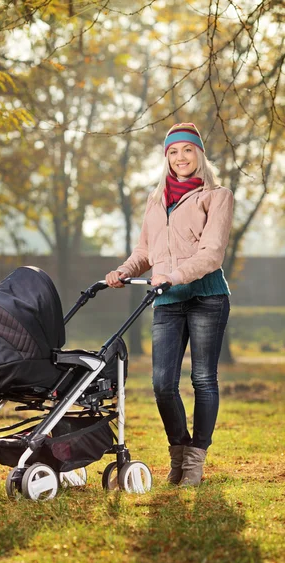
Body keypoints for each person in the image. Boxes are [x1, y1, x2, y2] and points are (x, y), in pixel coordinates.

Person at [105, 123, 233, 486]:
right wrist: (123, 270)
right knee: (163, 384)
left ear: (200, 154)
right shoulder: (155, 198)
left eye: (188, 150)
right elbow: (145, 251)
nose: (181, 158)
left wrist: (174, 275)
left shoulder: (217, 195)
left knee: (203, 378)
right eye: (173, 152)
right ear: (167, 157)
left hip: (207, 295)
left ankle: (194, 462)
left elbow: (212, 254)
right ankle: (178, 451)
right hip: (167, 300)